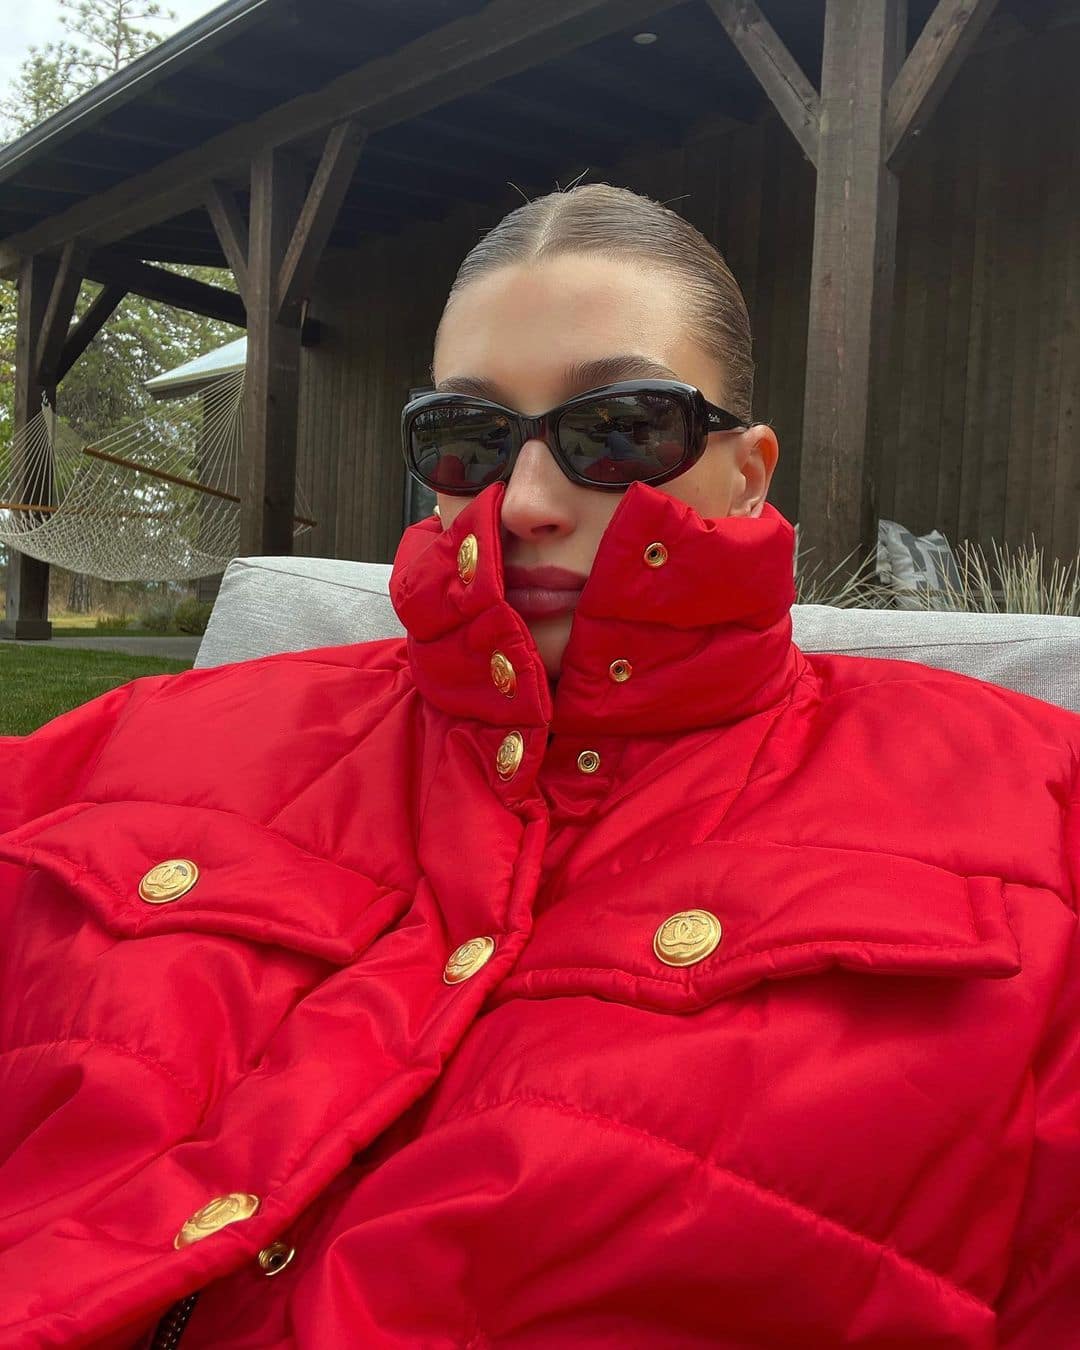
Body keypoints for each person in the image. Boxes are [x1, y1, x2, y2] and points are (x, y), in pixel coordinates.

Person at [0, 182, 1078, 1349]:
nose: (524, 502)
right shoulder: (149, 736)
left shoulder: (1033, 804)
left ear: (748, 470)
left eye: (620, 430)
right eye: (466, 440)